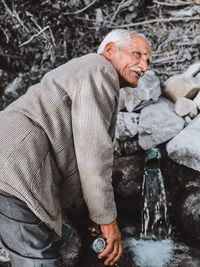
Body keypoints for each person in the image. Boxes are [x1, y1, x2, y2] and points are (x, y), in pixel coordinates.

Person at [0, 29, 152, 266]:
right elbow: (94, 155)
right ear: (110, 50)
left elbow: (77, 158)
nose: (144, 66)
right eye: (137, 55)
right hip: (14, 167)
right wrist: (107, 221)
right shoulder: (99, 70)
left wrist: (91, 216)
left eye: (148, 60)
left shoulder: (89, 71)